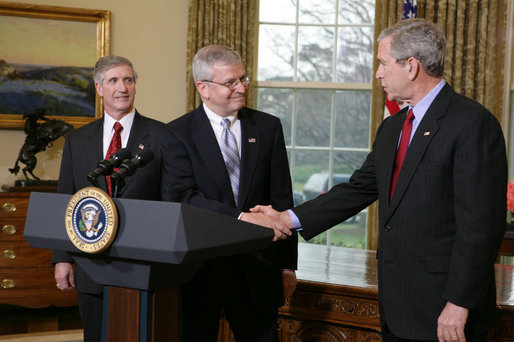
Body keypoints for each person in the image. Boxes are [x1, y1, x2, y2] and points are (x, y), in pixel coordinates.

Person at [252, 19, 507, 342]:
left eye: (383, 64)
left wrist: (459, 302)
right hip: (397, 306)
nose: (378, 74)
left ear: (412, 66)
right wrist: (288, 217)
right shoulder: (393, 127)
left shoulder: (472, 124)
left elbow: (480, 227)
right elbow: (359, 188)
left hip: (447, 308)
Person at [161, 44, 298, 342]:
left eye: (243, 79)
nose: (241, 88)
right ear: (203, 88)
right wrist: (241, 218)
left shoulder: (267, 127)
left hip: (258, 269)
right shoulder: (176, 134)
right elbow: (182, 197)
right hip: (200, 271)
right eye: (230, 82)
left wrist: (287, 265)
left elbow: (282, 197)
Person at [52, 55, 164, 342]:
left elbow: (171, 198)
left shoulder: (162, 136)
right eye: (113, 80)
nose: (122, 87)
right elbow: (66, 198)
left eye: (128, 79)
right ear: (99, 88)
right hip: (92, 263)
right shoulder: (78, 140)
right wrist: (62, 258)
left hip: (144, 261)